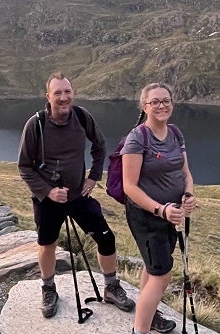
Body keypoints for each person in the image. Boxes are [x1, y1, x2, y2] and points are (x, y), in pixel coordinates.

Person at [18, 72, 136, 318]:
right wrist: (48, 191)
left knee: (106, 238)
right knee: (47, 243)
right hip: (48, 199)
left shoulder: (82, 117)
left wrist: (93, 177)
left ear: (73, 93)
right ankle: (49, 289)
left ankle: (111, 288)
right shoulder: (36, 124)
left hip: (78, 197)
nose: (63, 97)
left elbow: (100, 145)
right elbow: (24, 166)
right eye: (58, 93)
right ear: (48, 96)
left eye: (67, 92)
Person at [120, 82, 197, 334]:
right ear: (145, 106)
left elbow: (185, 173)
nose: (162, 105)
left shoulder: (175, 133)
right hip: (147, 216)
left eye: (166, 100)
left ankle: (147, 316)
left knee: (153, 268)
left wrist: (188, 195)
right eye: (155, 102)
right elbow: (130, 186)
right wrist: (160, 209)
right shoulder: (137, 139)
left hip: (172, 214)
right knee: (162, 274)